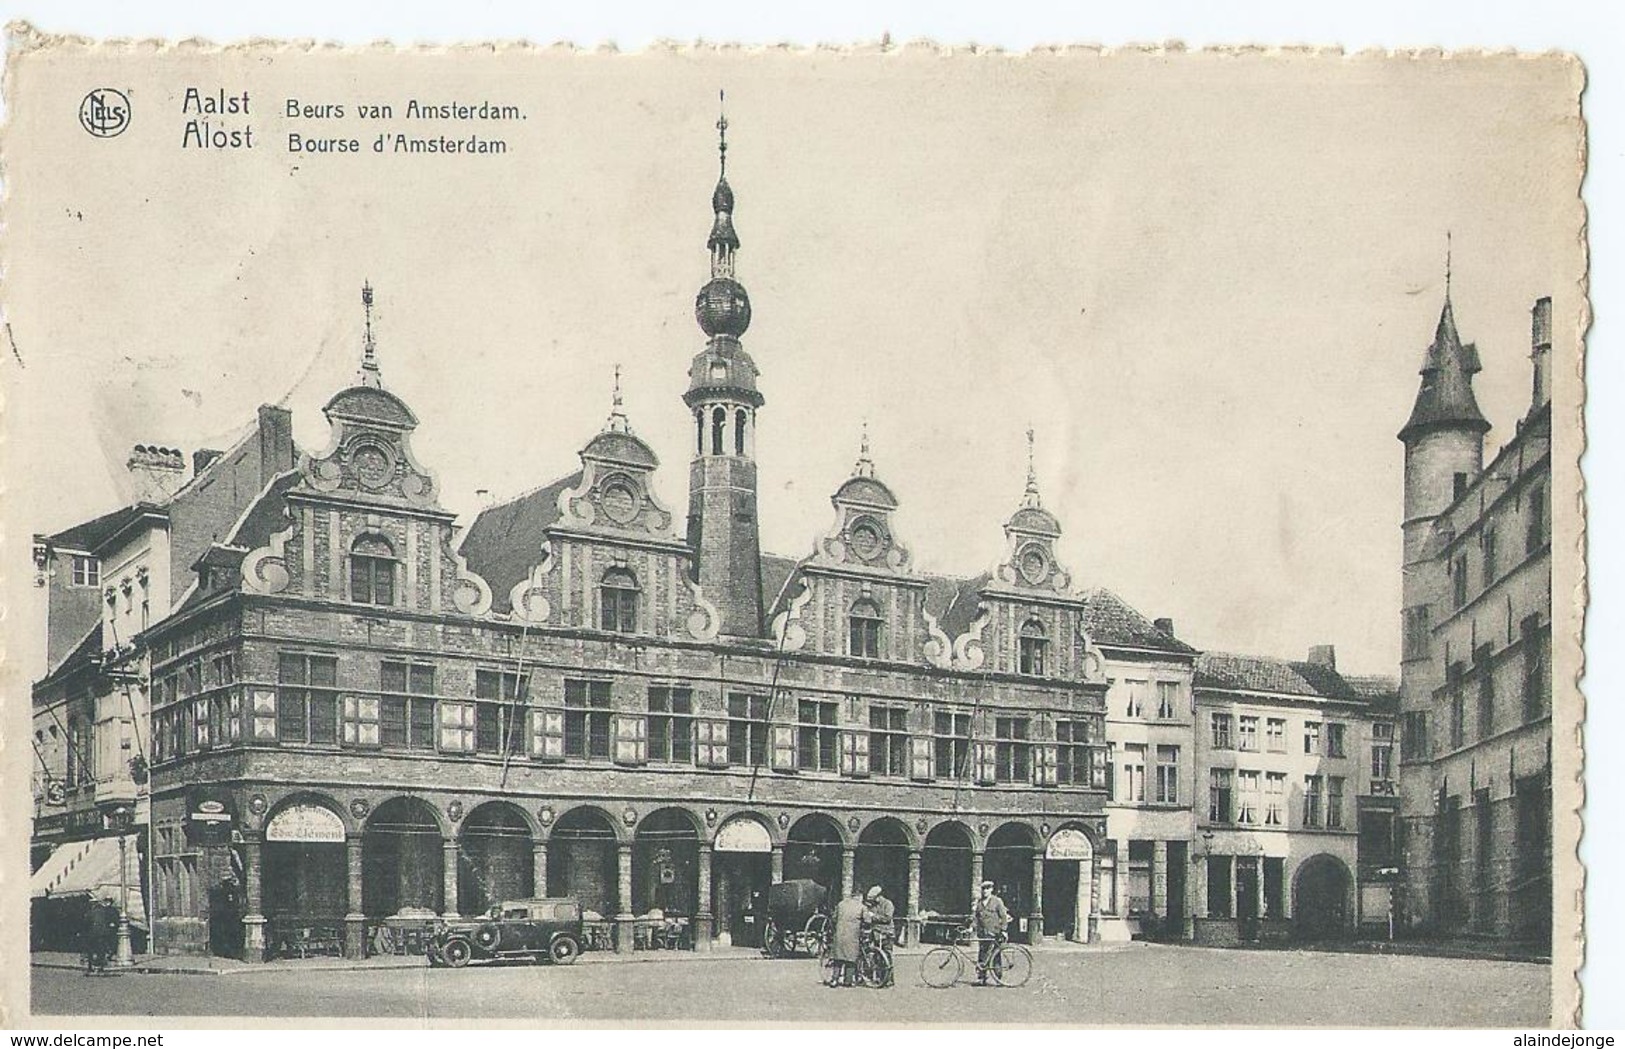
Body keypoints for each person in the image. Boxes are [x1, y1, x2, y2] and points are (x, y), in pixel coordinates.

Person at [972, 880, 1010, 985]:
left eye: (988, 888)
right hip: (983, 934)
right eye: (983, 889)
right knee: (982, 955)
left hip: (995, 933)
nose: (985, 891)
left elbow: (1003, 916)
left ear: (991, 889)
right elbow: (976, 918)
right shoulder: (979, 903)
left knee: (996, 956)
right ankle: (982, 978)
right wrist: (972, 927)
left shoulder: (997, 901)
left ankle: (998, 979)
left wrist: (1003, 930)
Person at [829, 889, 866, 988]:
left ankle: (834, 980)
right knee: (851, 959)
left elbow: (833, 918)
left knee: (838, 958)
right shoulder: (861, 907)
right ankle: (848, 981)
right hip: (853, 936)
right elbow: (868, 920)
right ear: (860, 897)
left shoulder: (841, 904)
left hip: (840, 935)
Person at [862, 885, 896, 987]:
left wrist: (873, 917)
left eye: (873, 899)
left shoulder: (888, 904)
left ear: (879, 896)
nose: (872, 901)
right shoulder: (872, 905)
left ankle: (889, 979)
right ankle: (879, 978)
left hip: (886, 934)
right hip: (876, 933)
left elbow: (887, 918)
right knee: (877, 956)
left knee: (887, 956)